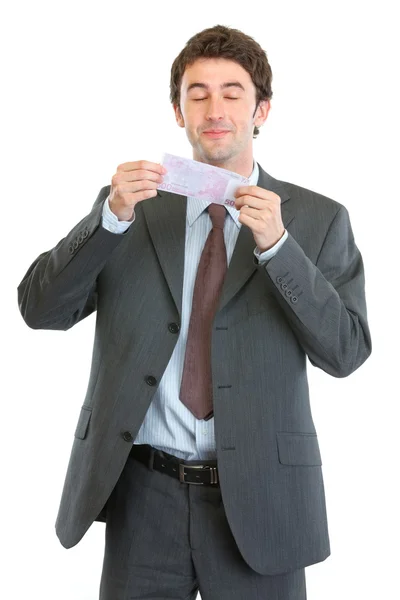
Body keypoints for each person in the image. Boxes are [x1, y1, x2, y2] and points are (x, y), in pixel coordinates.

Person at [17, 24, 372, 600]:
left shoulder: (317, 218)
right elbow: (40, 310)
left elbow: (346, 352)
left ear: (262, 110)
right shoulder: (130, 211)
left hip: (263, 501)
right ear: (177, 111)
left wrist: (280, 249)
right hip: (144, 496)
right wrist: (108, 219)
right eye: (197, 93)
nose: (215, 108)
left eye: (233, 93)